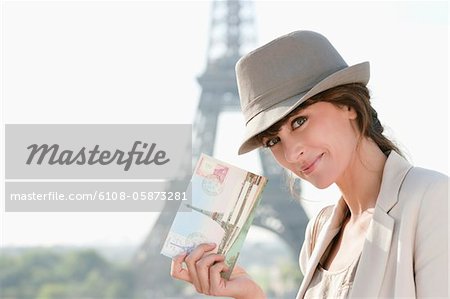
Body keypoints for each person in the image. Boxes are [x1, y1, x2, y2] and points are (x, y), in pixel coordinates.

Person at [171, 30, 448, 298]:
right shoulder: (318, 233)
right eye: (272, 141)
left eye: (299, 121)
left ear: (348, 104)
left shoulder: (433, 201)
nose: (290, 154)